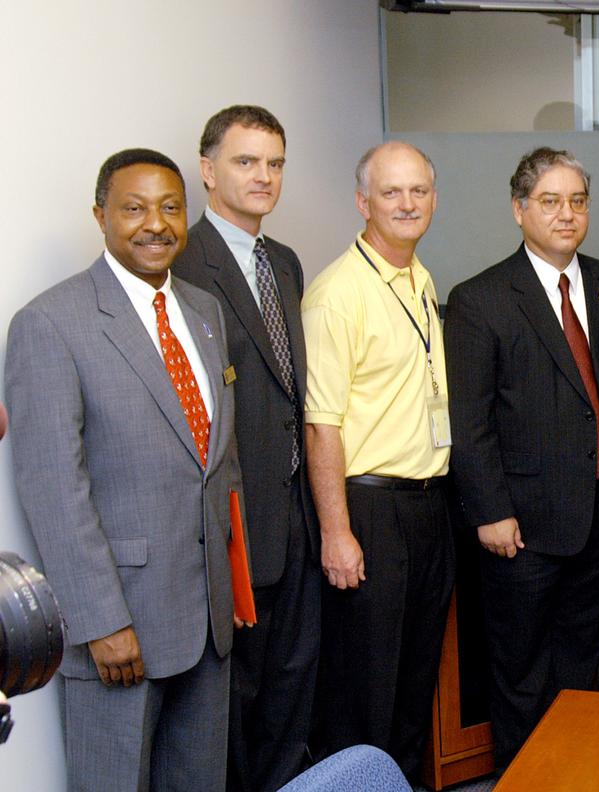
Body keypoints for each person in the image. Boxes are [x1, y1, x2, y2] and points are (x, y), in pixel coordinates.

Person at [6, 148, 243, 790]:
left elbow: (220, 466)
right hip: (122, 626)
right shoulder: (51, 324)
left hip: (208, 620)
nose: (155, 224)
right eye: (134, 208)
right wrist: (101, 622)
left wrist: (237, 586)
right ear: (100, 216)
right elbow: (56, 490)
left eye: (170, 208)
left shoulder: (204, 312)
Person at [444, 147, 599, 767]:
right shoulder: (481, 298)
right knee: (521, 673)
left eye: (577, 201)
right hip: (519, 527)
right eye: (550, 201)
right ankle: (524, 778)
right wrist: (491, 512)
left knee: (581, 662)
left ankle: (573, 773)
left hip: (597, 517)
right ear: (519, 210)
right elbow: (469, 422)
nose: (566, 214)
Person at [170, 104, 320, 792]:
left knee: (294, 686)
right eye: (246, 161)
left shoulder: (282, 260)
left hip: (294, 511)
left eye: (275, 163)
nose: (264, 177)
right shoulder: (180, 265)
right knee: (239, 696)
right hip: (233, 515)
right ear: (207, 170)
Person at [301, 141, 454, 780]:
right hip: (368, 506)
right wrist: (338, 532)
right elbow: (321, 425)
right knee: (367, 683)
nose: (407, 203)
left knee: (417, 673)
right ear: (363, 203)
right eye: (391, 192)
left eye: (418, 191)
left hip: (427, 502)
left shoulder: (420, 277)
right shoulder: (337, 293)